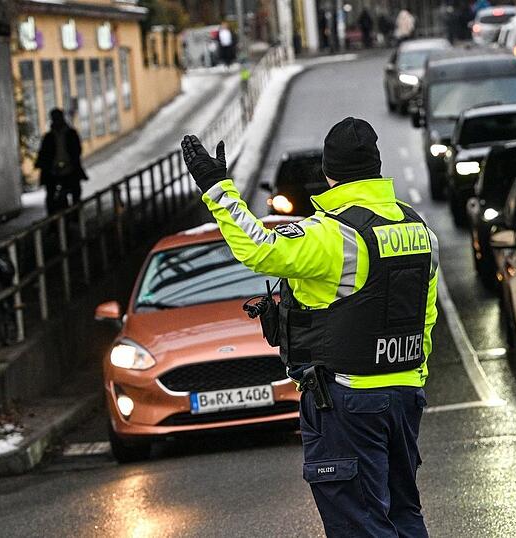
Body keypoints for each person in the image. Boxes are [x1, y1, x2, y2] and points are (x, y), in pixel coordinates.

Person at [181, 117, 438, 537]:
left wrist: (216, 188)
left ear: (329, 174)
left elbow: (259, 247)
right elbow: (425, 314)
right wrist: (412, 375)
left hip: (348, 399)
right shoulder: (420, 230)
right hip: (405, 394)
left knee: (361, 525)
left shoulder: (335, 236)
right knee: (403, 516)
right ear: (376, 167)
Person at [35, 108, 87, 213]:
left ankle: (76, 215)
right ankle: (53, 219)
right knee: (51, 196)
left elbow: (77, 151)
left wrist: (71, 163)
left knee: (75, 192)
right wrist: (46, 166)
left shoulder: (71, 134)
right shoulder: (48, 137)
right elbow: (44, 154)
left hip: (70, 169)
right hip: (52, 172)